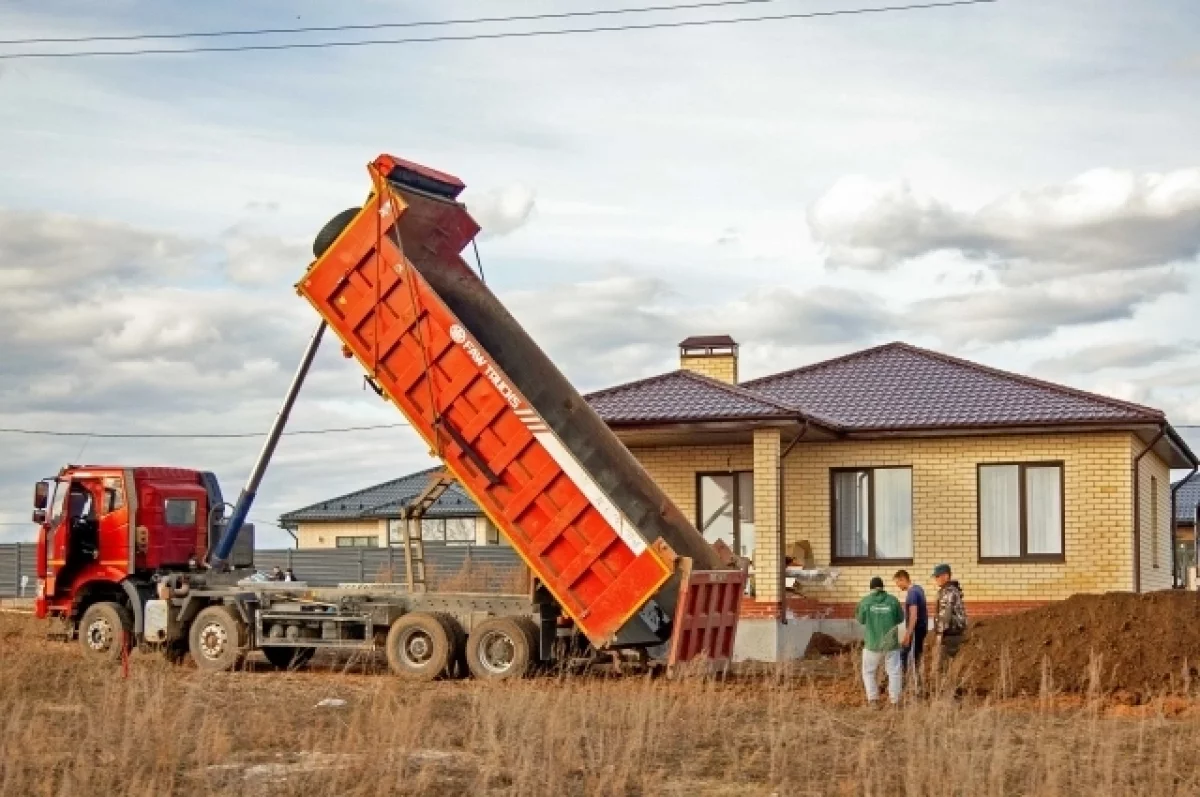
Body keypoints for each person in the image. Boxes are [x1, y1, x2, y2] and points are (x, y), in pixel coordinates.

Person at [855, 576, 905, 707]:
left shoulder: (865, 602)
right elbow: (900, 619)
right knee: (894, 672)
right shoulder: (893, 601)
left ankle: (873, 700)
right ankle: (895, 701)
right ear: (883, 588)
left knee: (868, 672)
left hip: (872, 644)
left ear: (871, 589)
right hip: (891, 644)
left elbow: (860, 620)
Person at [893, 569, 927, 692]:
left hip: (915, 630)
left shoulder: (912, 593)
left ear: (903, 579)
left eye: (898, 583)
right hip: (921, 629)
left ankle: (911, 686)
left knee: (909, 657)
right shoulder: (919, 589)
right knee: (912, 655)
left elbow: (914, 615)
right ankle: (913, 684)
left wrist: (908, 634)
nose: (898, 586)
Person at [932, 563, 967, 662]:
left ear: (946, 576)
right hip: (952, 633)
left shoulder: (949, 592)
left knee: (944, 666)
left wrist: (939, 634)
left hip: (951, 634)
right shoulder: (948, 590)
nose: (936, 579)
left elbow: (945, 615)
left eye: (938, 576)